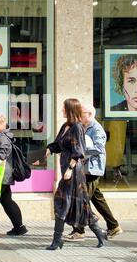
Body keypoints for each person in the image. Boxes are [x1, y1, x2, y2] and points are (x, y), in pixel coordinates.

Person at [45, 98, 107, 250]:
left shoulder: (77, 127)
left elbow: (78, 151)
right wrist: (50, 149)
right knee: (82, 204)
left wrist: (69, 170)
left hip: (73, 171)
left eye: (64, 108)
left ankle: (57, 239)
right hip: (67, 168)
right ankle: (100, 234)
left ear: (70, 110)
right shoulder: (65, 126)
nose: (62, 110)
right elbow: (59, 143)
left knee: (61, 202)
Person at [64, 104, 122, 242]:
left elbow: (98, 149)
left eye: (81, 113)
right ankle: (113, 226)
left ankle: (79, 231)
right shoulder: (83, 127)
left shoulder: (97, 129)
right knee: (97, 199)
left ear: (89, 114)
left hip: (92, 169)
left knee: (82, 199)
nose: (79, 115)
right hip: (85, 168)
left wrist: (80, 152)